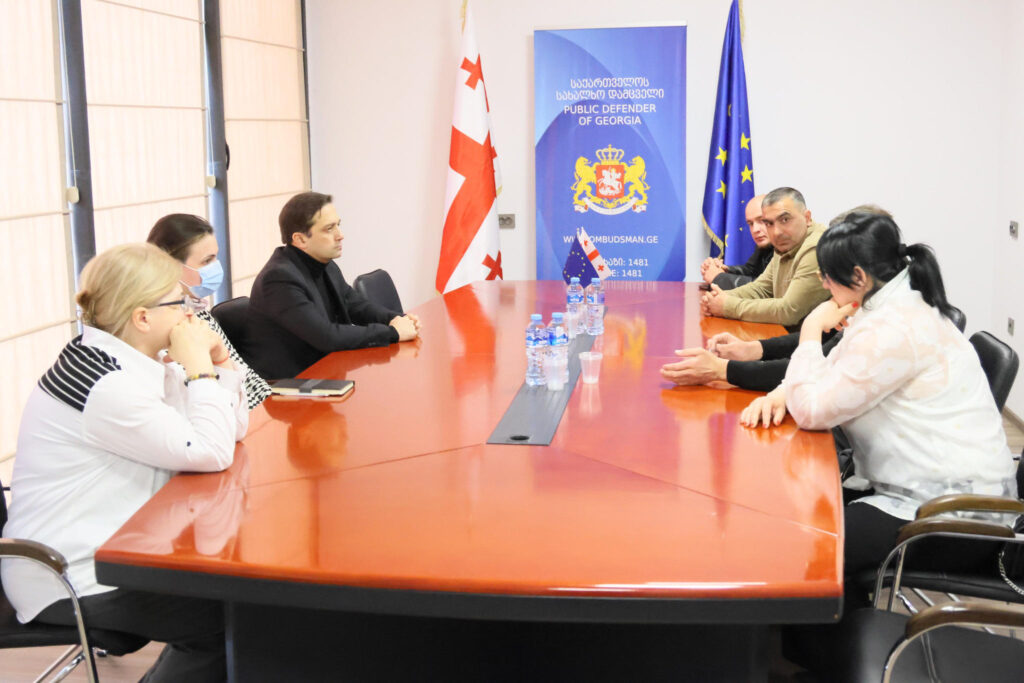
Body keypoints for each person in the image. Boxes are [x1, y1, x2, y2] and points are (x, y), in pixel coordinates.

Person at [2, 243, 248, 681]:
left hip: (121, 547)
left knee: (235, 603)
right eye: (180, 302)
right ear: (143, 318)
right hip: (70, 575)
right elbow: (211, 451)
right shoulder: (105, 385)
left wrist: (218, 361)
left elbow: (231, 430)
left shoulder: (134, 361)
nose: (191, 313)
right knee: (227, 618)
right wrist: (201, 371)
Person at [739, 212, 1016, 587]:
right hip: (926, 490)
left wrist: (811, 329)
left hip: (953, 516)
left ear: (858, 277)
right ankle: (837, 612)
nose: (822, 282)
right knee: (795, 515)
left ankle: (835, 621)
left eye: (827, 275)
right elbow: (831, 368)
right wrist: (782, 392)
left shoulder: (895, 328)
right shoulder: (890, 306)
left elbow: (813, 412)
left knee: (803, 545)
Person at [663, 205, 892, 389]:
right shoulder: (874, 298)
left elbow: (814, 385)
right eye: (767, 222)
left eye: (784, 220)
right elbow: (828, 342)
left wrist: (722, 370)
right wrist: (752, 349)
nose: (825, 283)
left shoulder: (886, 324)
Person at [246, 192, 421, 379]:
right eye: (329, 229)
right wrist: (392, 333)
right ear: (300, 239)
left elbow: (357, 306)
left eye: (338, 225)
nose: (340, 235)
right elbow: (326, 336)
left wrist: (397, 319)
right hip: (291, 385)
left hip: (325, 373)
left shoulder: (325, 264)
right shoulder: (279, 279)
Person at [148, 213, 271, 408]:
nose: (216, 267)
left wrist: (271, 403)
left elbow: (244, 377)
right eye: (207, 261)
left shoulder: (197, 309)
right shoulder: (162, 325)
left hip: (249, 411)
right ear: (171, 265)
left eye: (216, 258)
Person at [701, 187, 831, 328]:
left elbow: (789, 311)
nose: (776, 232)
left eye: (785, 219)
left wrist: (727, 306)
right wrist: (717, 298)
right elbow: (761, 288)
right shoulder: (786, 243)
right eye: (769, 223)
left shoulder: (816, 248)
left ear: (807, 218)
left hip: (814, 340)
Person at [699, 194, 773, 290]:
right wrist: (724, 269)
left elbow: (767, 288)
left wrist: (718, 277)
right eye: (750, 223)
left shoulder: (786, 247)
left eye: (762, 220)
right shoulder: (765, 244)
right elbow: (750, 270)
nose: (755, 229)